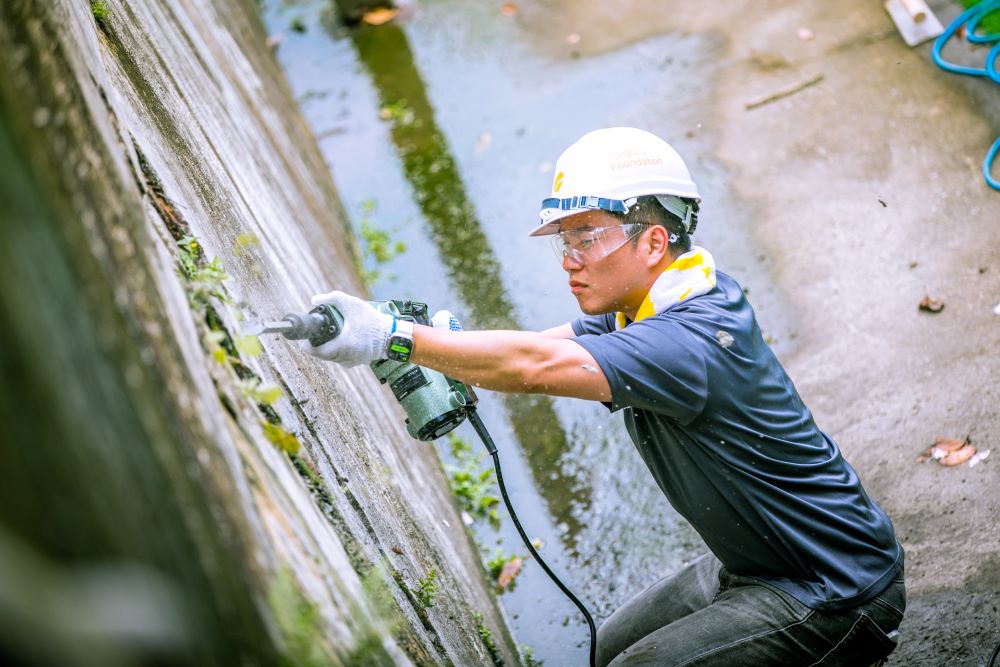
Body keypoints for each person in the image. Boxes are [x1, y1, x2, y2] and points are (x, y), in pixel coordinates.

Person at [301, 127, 905, 666]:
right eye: (563, 240)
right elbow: (539, 349)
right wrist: (443, 349)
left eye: (586, 237)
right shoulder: (653, 304)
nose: (568, 261)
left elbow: (538, 367)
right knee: (604, 650)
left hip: (833, 589)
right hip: (753, 566)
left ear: (652, 242)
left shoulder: (687, 341)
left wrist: (395, 337)